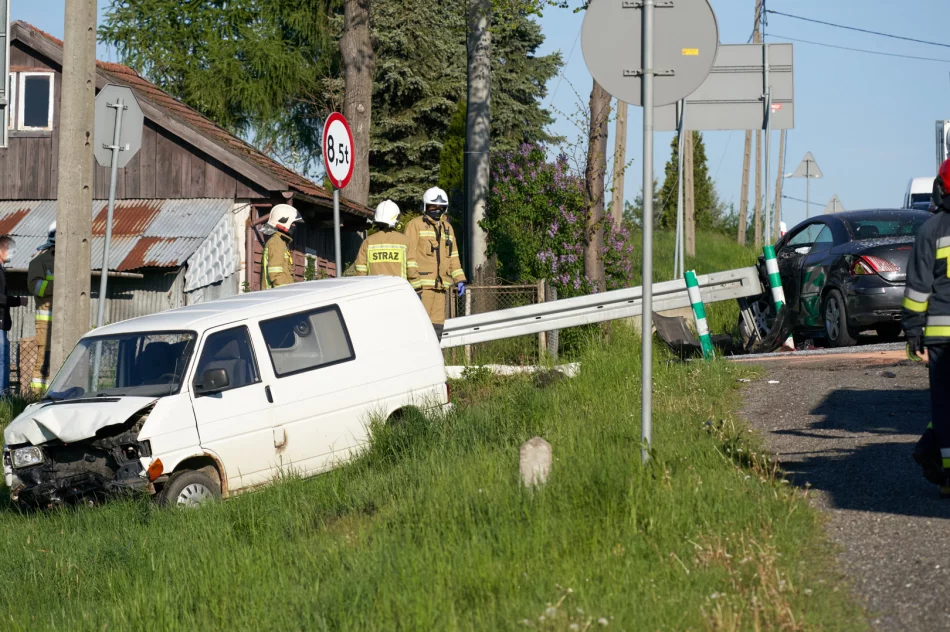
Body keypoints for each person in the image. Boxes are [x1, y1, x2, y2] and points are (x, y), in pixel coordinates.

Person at [904, 158, 950, 495]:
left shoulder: (930, 231)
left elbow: (918, 289)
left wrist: (913, 330)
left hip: (941, 337)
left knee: (945, 407)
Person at [404, 187, 467, 338]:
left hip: (441, 287)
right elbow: (409, 256)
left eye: (441, 207)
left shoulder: (448, 228)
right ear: (425, 206)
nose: (437, 210)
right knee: (420, 326)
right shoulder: (415, 225)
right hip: (422, 287)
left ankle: (434, 356)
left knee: (437, 326)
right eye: (433, 206)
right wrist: (414, 283)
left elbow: (453, 257)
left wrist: (459, 279)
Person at [352, 200, 419, 284]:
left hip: (375, 291)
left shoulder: (368, 242)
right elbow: (412, 270)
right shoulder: (405, 241)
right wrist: (417, 290)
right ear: (396, 218)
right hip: (399, 291)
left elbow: (360, 272)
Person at [27, 222, 55, 392]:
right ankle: (37, 396)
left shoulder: (72, 261)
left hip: (65, 321)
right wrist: (57, 285)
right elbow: (34, 286)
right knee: (44, 359)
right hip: (46, 320)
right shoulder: (40, 261)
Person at [261, 204, 303, 289]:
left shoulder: (281, 242)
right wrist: (285, 294)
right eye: (293, 223)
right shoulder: (277, 242)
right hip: (276, 297)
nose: (294, 226)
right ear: (284, 222)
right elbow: (275, 274)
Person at [0, 236, 22, 395]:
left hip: (3, 324)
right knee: (2, 361)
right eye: (10, 250)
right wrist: (18, 300)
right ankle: (3, 396)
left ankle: (5, 394)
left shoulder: (2, 270)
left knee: (4, 361)